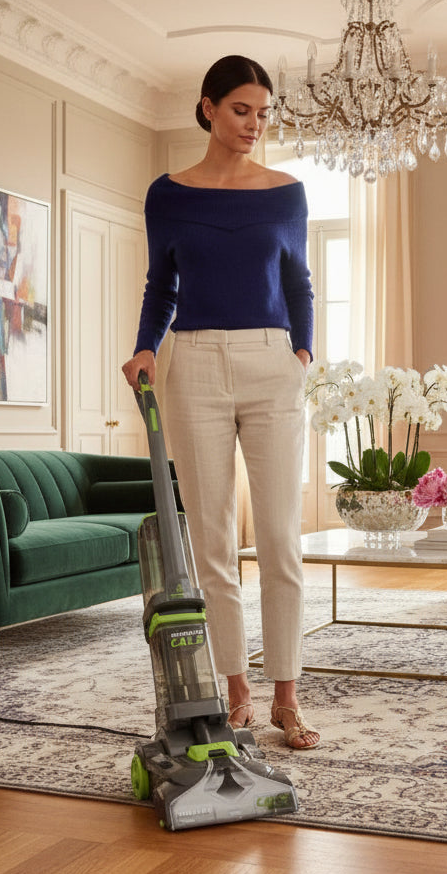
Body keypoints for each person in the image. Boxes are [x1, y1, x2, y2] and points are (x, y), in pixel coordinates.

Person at [121, 54, 319, 750]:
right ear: (207, 108)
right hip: (195, 365)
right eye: (241, 110)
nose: (254, 125)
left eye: (263, 113)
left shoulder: (286, 193)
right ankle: (235, 692)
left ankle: (287, 697)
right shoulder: (168, 194)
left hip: (272, 363)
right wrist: (147, 345)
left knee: (279, 538)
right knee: (210, 542)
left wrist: (302, 355)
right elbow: (160, 285)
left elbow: (299, 285)